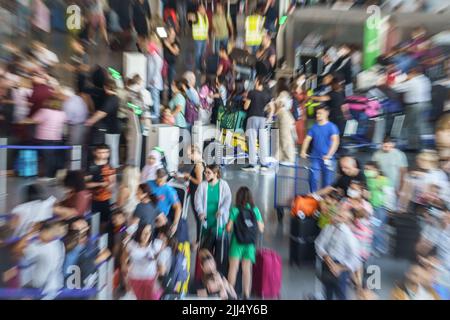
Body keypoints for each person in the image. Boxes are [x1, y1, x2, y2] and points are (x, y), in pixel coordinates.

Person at [227, 187, 264, 300]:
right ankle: (246, 294)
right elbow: (261, 229)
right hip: (250, 244)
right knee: (247, 269)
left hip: (236, 243)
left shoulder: (235, 210)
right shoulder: (255, 210)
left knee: (233, 268)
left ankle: (230, 293)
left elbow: (228, 228)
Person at [315, 208, 360, 300]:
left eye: (340, 216)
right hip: (326, 263)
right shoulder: (328, 228)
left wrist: (340, 267)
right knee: (327, 290)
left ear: (347, 221)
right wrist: (325, 256)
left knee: (340, 293)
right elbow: (318, 243)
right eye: (337, 214)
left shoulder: (349, 236)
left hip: (340, 267)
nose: (336, 217)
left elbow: (355, 258)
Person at [301, 106, 340, 192]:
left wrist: (329, 155)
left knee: (327, 181)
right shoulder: (313, 127)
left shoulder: (332, 127)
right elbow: (307, 140)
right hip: (315, 157)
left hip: (328, 159)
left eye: (320, 113)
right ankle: (313, 196)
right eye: (317, 113)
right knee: (313, 178)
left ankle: (325, 200)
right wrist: (303, 151)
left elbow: (335, 142)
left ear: (327, 113)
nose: (318, 115)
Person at [392, 66, 432, 151]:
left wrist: (402, 79)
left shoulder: (413, 81)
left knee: (412, 126)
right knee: (419, 125)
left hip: (414, 106)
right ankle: (419, 144)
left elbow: (396, 88)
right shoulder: (425, 79)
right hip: (425, 104)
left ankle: (413, 146)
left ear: (413, 72)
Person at [194, 165, 232, 254]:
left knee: (219, 249)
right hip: (206, 221)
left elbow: (228, 199)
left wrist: (222, 210)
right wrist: (200, 212)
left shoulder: (223, 185)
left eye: (208, 173)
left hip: (219, 221)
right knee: (206, 249)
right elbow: (197, 201)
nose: (206, 175)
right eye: (205, 172)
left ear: (215, 174)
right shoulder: (202, 186)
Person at [22, 220, 65, 297]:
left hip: (42, 291)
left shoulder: (40, 248)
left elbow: (19, 251)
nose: (39, 234)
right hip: (55, 287)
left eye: (40, 232)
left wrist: (31, 232)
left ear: (45, 232)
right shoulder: (59, 244)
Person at [85, 79, 121, 169]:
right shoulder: (115, 98)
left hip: (111, 128)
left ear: (106, 87)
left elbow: (102, 113)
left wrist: (90, 121)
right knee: (113, 149)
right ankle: (113, 168)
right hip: (115, 127)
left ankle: (111, 169)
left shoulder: (111, 99)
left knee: (110, 149)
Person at [29, 96, 66, 181]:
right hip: (57, 139)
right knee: (52, 157)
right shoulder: (62, 113)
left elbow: (34, 120)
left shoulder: (44, 111)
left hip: (44, 138)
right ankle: (51, 175)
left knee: (45, 157)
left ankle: (46, 176)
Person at [125, 224, 164, 300]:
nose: (146, 235)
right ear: (139, 232)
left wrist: (159, 262)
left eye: (149, 232)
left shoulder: (156, 244)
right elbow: (124, 263)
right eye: (144, 232)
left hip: (151, 279)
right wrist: (126, 282)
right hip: (135, 279)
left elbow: (162, 258)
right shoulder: (131, 245)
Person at [242, 76, 272, 172]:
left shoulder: (252, 92)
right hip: (263, 119)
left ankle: (252, 164)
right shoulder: (267, 95)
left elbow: (246, 107)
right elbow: (271, 107)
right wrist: (269, 117)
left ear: (258, 82)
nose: (254, 82)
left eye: (255, 80)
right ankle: (263, 164)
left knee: (252, 141)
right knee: (263, 141)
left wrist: (245, 100)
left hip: (252, 118)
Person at [86, 144, 117, 230]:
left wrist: (111, 186)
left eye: (106, 152)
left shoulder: (111, 167)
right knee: (92, 221)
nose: (103, 154)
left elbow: (113, 184)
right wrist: (100, 184)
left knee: (105, 221)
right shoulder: (90, 166)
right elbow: (86, 184)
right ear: (95, 153)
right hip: (91, 200)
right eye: (100, 152)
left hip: (106, 200)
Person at [364, 161, 392, 256]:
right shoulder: (367, 179)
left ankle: (379, 247)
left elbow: (389, 195)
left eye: (369, 169)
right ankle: (374, 247)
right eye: (366, 169)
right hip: (371, 207)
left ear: (376, 170)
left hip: (381, 208)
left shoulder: (384, 180)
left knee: (378, 228)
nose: (367, 171)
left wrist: (389, 208)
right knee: (372, 227)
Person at [181, 145, 205, 247]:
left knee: (198, 217)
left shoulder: (199, 165)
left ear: (195, 153)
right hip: (196, 192)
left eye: (190, 155)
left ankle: (199, 241)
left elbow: (199, 181)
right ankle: (200, 239)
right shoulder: (200, 162)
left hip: (196, 193)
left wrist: (189, 177)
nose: (189, 157)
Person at [148, 169, 182, 239]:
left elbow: (178, 207)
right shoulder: (149, 184)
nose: (160, 183)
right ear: (156, 177)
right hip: (148, 213)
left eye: (163, 181)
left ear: (166, 178)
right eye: (158, 181)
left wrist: (175, 224)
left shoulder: (169, 190)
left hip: (160, 218)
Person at [272, 98, 296, 165]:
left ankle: (289, 159)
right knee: (278, 139)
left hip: (284, 119)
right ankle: (279, 157)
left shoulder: (283, 109)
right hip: (282, 116)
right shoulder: (282, 109)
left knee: (285, 139)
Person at [188, 3, 209, 72]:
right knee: (198, 55)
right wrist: (190, 17)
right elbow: (189, 16)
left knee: (202, 54)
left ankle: (201, 66)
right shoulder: (197, 16)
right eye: (201, 8)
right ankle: (197, 68)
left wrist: (207, 37)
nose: (203, 9)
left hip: (204, 39)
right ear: (199, 9)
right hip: (198, 40)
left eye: (203, 8)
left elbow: (206, 28)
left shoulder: (205, 17)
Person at [147, 37, 164, 119]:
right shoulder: (149, 55)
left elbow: (158, 68)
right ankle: (153, 111)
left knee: (155, 97)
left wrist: (154, 78)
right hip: (150, 80)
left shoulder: (155, 56)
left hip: (155, 81)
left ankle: (156, 113)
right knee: (152, 97)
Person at [163, 28, 180, 100]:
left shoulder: (175, 42)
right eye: (171, 34)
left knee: (170, 81)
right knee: (161, 80)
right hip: (164, 64)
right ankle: (161, 96)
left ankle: (170, 97)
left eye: (173, 34)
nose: (172, 35)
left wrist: (168, 46)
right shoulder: (164, 41)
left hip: (171, 64)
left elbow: (176, 52)